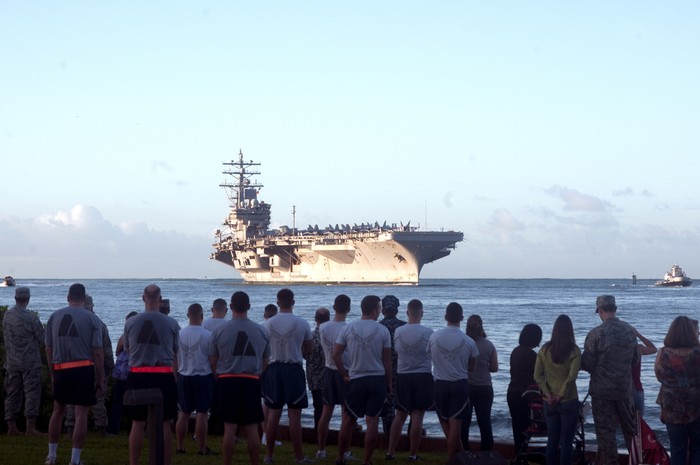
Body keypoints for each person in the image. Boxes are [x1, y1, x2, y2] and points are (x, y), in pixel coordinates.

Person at [45, 283, 105, 465]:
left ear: (68, 297)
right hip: (83, 368)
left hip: (61, 368)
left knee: (58, 411)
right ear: (84, 298)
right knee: (81, 414)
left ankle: (52, 456)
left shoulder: (54, 317)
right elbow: (97, 351)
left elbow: (49, 348)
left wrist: (52, 372)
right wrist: (101, 376)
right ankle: (75, 459)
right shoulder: (92, 319)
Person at [209, 291, 270, 465]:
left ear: (231, 307)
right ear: (249, 307)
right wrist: (258, 374)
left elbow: (213, 360)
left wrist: (218, 376)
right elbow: (266, 360)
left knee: (230, 427)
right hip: (251, 380)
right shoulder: (261, 330)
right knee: (252, 427)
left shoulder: (220, 330)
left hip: (227, 380)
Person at [124, 284, 181, 465]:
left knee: (137, 423)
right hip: (163, 375)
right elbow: (175, 351)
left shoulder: (131, 322)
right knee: (165, 423)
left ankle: (134, 462)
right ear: (160, 299)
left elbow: (127, 349)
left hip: (138, 374)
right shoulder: (171, 323)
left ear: (143, 298)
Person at [333, 295, 392, 465]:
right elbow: (387, 361)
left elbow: (336, 355)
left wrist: (344, 373)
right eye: (379, 308)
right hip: (377, 379)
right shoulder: (383, 331)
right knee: (372, 419)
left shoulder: (348, 328)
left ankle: (340, 457)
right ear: (375, 310)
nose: (380, 311)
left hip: (357, 379)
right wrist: (389, 383)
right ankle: (367, 460)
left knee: (349, 419)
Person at [581, 295, 639, 465]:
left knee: (606, 435)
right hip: (625, 391)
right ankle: (636, 461)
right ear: (615, 309)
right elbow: (635, 360)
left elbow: (588, 363)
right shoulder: (630, 331)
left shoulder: (595, 334)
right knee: (631, 432)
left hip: (602, 392)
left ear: (600, 311)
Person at [261, 288, 313, 464]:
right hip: (293, 369)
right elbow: (309, 350)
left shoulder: (267, 324)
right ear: (293, 302)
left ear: (277, 302)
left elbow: (263, 351)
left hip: (274, 369)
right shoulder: (302, 323)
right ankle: (298, 457)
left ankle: (269, 455)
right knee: (295, 416)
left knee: (273, 414)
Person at [428, 302, 479, 460]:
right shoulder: (469, 342)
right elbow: (472, 367)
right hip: (460, 384)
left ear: (445, 317)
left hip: (440, 383)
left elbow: (430, 356)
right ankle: (454, 457)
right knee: (455, 423)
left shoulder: (434, 337)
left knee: (444, 419)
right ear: (462, 318)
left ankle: (457, 455)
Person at [386, 299, 434, 462]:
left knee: (400, 415)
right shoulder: (428, 332)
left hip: (403, 375)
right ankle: (413, 454)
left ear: (407, 313)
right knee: (417, 416)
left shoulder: (399, 331)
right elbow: (432, 353)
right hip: (422, 375)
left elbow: (396, 351)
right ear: (422, 313)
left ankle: (390, 452)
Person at [534, 314, 581, 465]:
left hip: (549, 402)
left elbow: (537, 375)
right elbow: (571, 378)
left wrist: (548, 394)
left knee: (552, 440)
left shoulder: (544, 350)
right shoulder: (574, 351)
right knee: (567, 441)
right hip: (568, 400)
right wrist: (560, 395)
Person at [65, 294, 114, 435]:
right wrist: (107, 369)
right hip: (94, 366)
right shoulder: (99, 324)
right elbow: (106, 350)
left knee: (72, 398)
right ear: (91, 306)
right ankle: (101, 429)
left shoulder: (70, 322)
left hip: (72, 365)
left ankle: (70, 428)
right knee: (98, 397)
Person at [655, 316, 700, 465]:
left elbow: (659, 377)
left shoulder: (663, 353)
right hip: (697, 405)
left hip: (672, 407)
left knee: (677, 448)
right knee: (697, 447)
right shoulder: (698, 353)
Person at [2, 286, 45, 436]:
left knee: (12, 394)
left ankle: (11, 427)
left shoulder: (7, 316)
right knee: (32, 393)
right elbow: (42, 338)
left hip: (12, 361)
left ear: (15, 298)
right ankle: (30, 427)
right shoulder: (31, 317)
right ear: (28, 299)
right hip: (30, 362)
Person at [175, 303, 215, 455]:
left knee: (183, 413)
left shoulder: (179, 334)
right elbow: (212, 360)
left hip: (184, 375)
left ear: (187, 315)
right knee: (202, 413)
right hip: (203, 376)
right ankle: (202, 448)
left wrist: (175, 375)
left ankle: (180, 446)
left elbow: (174, 358)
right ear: (202, 316)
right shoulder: (208, 335)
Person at [316, 294, 352, 460]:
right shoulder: (349, 328)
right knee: (347, 414)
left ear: (334, 307)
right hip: (345, 371)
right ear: (349, 309)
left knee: (326, 412)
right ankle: (345, 451)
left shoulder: (323, 327)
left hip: (328, 369)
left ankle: (321, 449)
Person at [461, 314, 498, 451]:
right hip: (485, 387)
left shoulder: (463, 343)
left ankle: (464, 450)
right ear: (481, 327)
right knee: (485, 421)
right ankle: (487, 451)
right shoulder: (489, 345)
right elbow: (494, 368)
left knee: (465, 421)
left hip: (467, 386)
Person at [507, 323, 543, 455]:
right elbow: (539, 376)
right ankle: (524, 455)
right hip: (525, 394)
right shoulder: (532, 355)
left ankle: (519, 455)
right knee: (525, 426)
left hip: (512, 392)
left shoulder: (515, 351)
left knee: (517, 427)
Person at [106, 310, 138, 436]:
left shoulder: (124, 337)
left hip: (122, 374)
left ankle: (114, 428)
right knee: (134, 402)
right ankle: (132, 428)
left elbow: (118, 351)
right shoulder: (137, 338)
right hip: (134, 373)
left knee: (118, 402)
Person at [379, 295, 406, 438]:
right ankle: (410, 434)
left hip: (382, 372)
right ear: (397, 309)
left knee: (387, 409)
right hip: (402, 372)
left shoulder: (377, 327)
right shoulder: (405, 327)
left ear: (382, 310)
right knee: (406, 407)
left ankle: (388, 437)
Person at [305, 307, 330, 432]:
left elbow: (304, 354)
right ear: (329, 319)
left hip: (313, 376)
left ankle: (317, 431)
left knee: (318, 406)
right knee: (329, 407)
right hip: (328, 376)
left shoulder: (310, 336)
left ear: (315, 319)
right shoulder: (331, 336)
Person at [632, 328, 657, 415]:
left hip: (622, 391)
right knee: (638, 424)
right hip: (637, 389)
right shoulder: (638, 349)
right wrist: (638, 335)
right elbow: (653, 349)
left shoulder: (614, 350)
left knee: (620, 423)